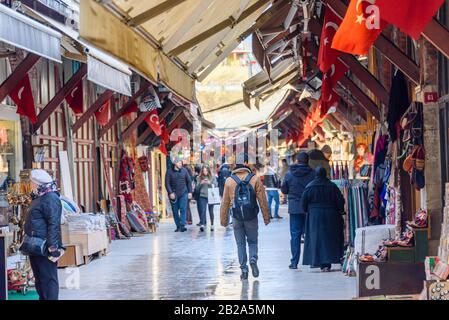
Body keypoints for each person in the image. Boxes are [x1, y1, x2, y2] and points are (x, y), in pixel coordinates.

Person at [220, 160, 270, 280]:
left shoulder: (229, 181)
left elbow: (225, 202)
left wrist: (224, 220)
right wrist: (266, 217)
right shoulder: (254, 179)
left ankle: (244, 269)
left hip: (236, 217)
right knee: (252, 241)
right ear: (247, 164)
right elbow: (262, 199)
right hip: (251, 216)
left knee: (240, 243)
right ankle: (253, 259)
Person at [24, 169, 64, 300]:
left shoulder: (50, 198)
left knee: (48, 280)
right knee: (40, 281)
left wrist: (53, 248)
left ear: (37, 184)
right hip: (35, 246)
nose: (30, 184)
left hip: (45, 246)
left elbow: (54, 224)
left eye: (31, 182)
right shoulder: (39, 197)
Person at [300, 167, 345, 272]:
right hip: (331, 215)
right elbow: (340, 201)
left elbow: (303, 204)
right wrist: (340, 211)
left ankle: (318, 261)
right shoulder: (332, 186)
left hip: (315, 216)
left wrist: (308, 211)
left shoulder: (309, 187)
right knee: (330, 239)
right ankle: (328, 263)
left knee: (317, 240)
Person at [281, 152, 315, 269]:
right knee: (310, 235)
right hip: (309, 208)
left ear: (297, 161)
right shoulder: (313, 174)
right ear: (307, 161)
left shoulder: (289, 174)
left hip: (295, 208)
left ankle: (294, 262)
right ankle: (312, 261)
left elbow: (284, 190)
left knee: (295, 236)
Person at [165, 157, 193, 232]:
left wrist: (190, 192)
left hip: (183, 193)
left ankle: (182, 224)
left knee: (183, 208)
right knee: (175, 211)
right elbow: (167, 183)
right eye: (179, 163)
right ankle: (178, 226)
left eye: (181, 163)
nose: (181, 164)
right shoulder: (169, 172)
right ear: (175, 163)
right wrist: (170, 193)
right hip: (174, 194)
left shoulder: (184, 171)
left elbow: (189, 182)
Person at [195, 165, 218, 232]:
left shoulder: (212, 177)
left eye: (206, 170)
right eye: (204, 171)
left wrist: (209, 183)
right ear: (202, 171)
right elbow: (197, 189)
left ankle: (212, 224)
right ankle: (202, 224)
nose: (205, 172)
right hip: (202, 195)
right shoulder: (199, 177)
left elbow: (216, 185)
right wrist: (201, 183)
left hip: (211, 195)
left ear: (208, 170)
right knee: (203, 210)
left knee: (211, 211)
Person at [183, 160, 194, 225]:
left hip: (186, 190)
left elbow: (189, 181)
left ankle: (187, 220)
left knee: (186, 205)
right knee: (187, 206)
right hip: (188, 190)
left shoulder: (185, 169)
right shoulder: (189, 168)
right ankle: (189, 220)